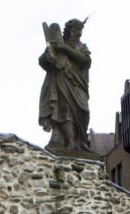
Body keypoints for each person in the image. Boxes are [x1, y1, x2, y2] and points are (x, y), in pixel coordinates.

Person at [38, 18, 91, 154]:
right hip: (61, 82)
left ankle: (81, 142)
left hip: (78, 85)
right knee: (65, 112)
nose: (78, 34)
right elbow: (42, 59)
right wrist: (47, 59)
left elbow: (85, 60)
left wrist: (65, 48)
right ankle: (69, 143)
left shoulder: (82, 47)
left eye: (80, 31)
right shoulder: (56, 44)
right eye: (75, 30)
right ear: (68, 31)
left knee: (83, 111)